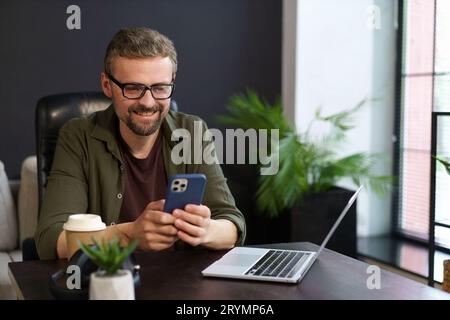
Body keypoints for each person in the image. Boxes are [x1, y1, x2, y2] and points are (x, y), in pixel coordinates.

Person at [35, 27, 246, 260]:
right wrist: (129, 234)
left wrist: (205, 231)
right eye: (133, 88)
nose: (148, 102)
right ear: (107, 85)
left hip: (180, 285)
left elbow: (232, 225)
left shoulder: (193, 132)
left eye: (159, 88)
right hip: (108, 284)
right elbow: (52, 240)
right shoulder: (78, 136)